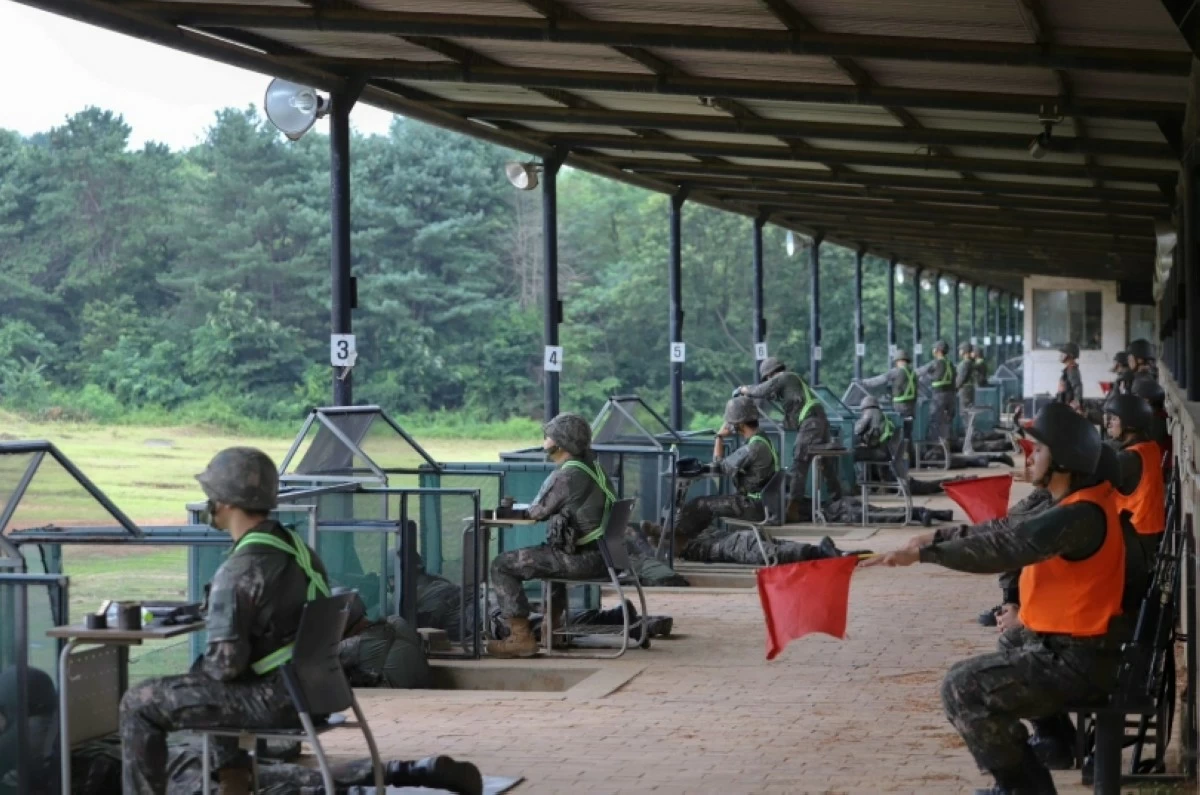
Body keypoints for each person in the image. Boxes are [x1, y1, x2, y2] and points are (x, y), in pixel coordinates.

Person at [119, 447, 479, 795]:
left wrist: (207, 647)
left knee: (139, 702)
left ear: (224, 501)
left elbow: (224, 666)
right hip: (316, 689)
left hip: (276, 699)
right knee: (207, 689)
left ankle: (226, 776)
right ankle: (234, 779)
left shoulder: (238, 570)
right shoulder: (296, 549)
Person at [864, 403, 1128, 794]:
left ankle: (1025, 788)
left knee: (963, 687)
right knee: (991, 662)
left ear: (1065, 460)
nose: (1030, 456)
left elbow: (1008, 547)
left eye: (1038, 450)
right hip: (1068, 650)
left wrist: (926, 555)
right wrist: (935, 538)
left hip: (1078, 661)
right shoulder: (1068, 505)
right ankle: (1031, 779)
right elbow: (1005, 527)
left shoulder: (1079, 516)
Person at [487, 412, 615, 658]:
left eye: (548, 436)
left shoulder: (568, 474)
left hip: (581, 560)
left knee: (501, 565)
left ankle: (520, 637)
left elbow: (537, 512)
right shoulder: (594, 467)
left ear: (561, 442)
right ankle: (552, 631)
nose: (545, 441)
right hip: (603, 556)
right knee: (550, 558)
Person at [737, 357, 843, 518]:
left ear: (771, 373)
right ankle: (838, 500)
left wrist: (744, 390)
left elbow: (761, 390)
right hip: (818, 420)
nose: (768, 380)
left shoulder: (784, 377)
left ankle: (793, 507)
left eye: (767, 378)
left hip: (811, 423)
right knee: (826, 464)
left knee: (799, 462)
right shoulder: (792, 381)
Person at [675, 396, 778, 538]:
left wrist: (719, 437)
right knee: (705, 507)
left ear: (740, 424)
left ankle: (675, 540)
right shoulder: (762, 438)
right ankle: (685, 538)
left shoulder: (753, 447)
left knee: (699, 504)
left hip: (752, 506)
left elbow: (720, 466)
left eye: (731, 422)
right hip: (763, 504)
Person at [1105, 393, 1166, 561]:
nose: (1109, 423)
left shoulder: (1130, 458)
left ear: (1129, 423)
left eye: (1115, 419)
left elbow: (1093, 477)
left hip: (1133, 536)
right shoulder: (1149, 447)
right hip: (1148, 531)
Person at [923, 340, 957, 448]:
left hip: (939, 396)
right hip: (951, 396)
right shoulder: (950, 364)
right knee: (947, 421)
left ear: (937, 351)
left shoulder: (935, 363)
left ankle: (935, 447)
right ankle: (947, 445)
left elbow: (920, 372)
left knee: (935, 420)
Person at [1056, 342, 1084, 411]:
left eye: (1063, 353)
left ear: (1070, 355)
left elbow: (1077, 386)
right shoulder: (1068, 370)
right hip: (1064, 405)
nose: (1061, 355)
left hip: (1068, 406)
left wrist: (1076, 401)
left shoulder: (1072, 370)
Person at [956, 342, 976, 410]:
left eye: (961, 349)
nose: (959, 351)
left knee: (964, 410)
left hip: (965, 389)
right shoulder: (971, 362)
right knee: (968, 409)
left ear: (965, 351)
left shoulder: (966, 363)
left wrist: (955, 387)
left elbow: (961, 378)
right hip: (969, 388)